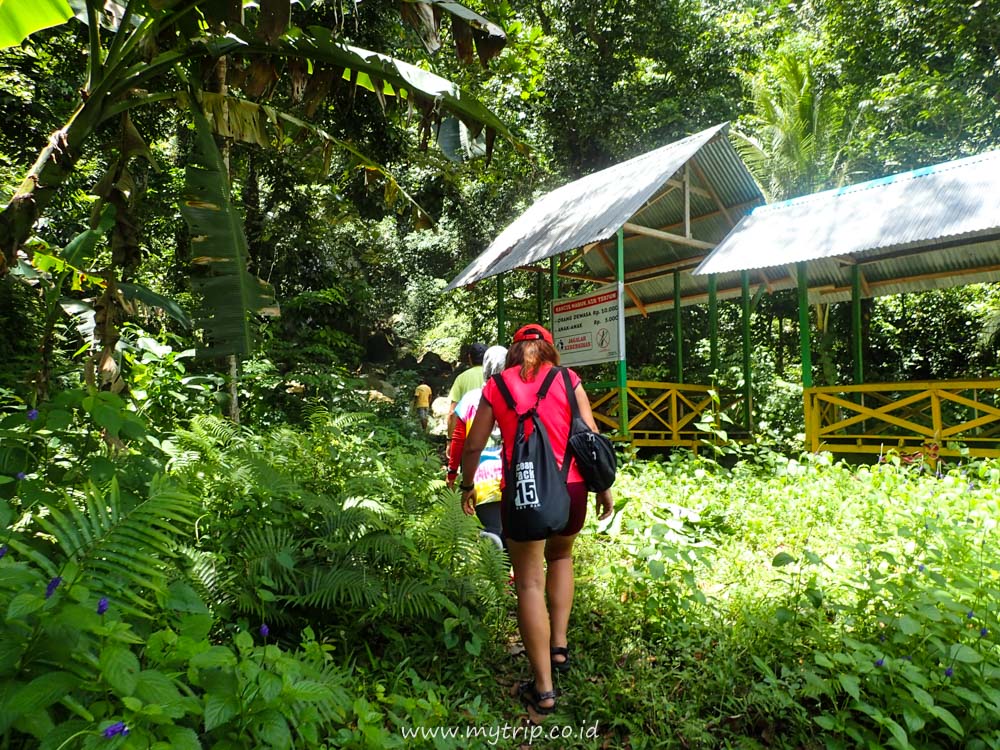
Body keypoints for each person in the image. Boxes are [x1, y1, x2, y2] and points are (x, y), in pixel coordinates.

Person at [459, 324, 614, 716]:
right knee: (562, 558)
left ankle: (543, 689)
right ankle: (558, 648)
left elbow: (474, 442)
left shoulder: (498, 386)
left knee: (529, 581)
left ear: (514, 352)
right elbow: (591, 435)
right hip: (573, 489)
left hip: (524, 493)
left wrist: (467, 484)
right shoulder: (567, 378)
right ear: (547, 350)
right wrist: (604, 487)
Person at [446, 346, 507, 542]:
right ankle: (509, 567)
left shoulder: (471, 399)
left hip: (480, 474)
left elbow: (458, 442)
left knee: (493, 526)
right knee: (513, 530)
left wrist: (453, 474)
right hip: (512, 470)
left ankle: (493, 544)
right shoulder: (517, 396)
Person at [447, 342, 487, 437]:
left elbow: (452, 412)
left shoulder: (461, 378)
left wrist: (450, 439)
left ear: (469, 358)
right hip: (489, 433)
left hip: (465, 434)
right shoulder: (494, 377)